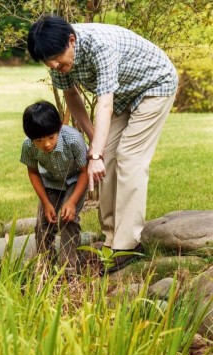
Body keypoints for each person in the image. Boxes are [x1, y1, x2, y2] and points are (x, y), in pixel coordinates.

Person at [27, 15, 178, 271]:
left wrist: (95, 153)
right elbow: (72, 96)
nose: (52, 64)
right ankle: (111, 238)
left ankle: (128, 244)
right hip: (124, 95)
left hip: (155, 86)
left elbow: (104, 102)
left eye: (55, 57)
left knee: (129, 158)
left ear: (71, 41)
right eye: (46, 61)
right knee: (106, 153)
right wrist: (95, 141)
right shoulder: (59, 63)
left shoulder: (100, 46)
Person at [20, 101, 88, 274]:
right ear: (31, 138)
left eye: (51, 137)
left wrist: (72, 201)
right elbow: (34, 172)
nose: (47, 144)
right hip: (50, 181)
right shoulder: (28, 146)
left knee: (68, 219)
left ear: (58, 129)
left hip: (75, 179)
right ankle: (45, 269)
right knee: (43, 224)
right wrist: (46, 203)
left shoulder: (74, 139)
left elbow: (85, 171)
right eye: (39, 140)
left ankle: (69, 271)